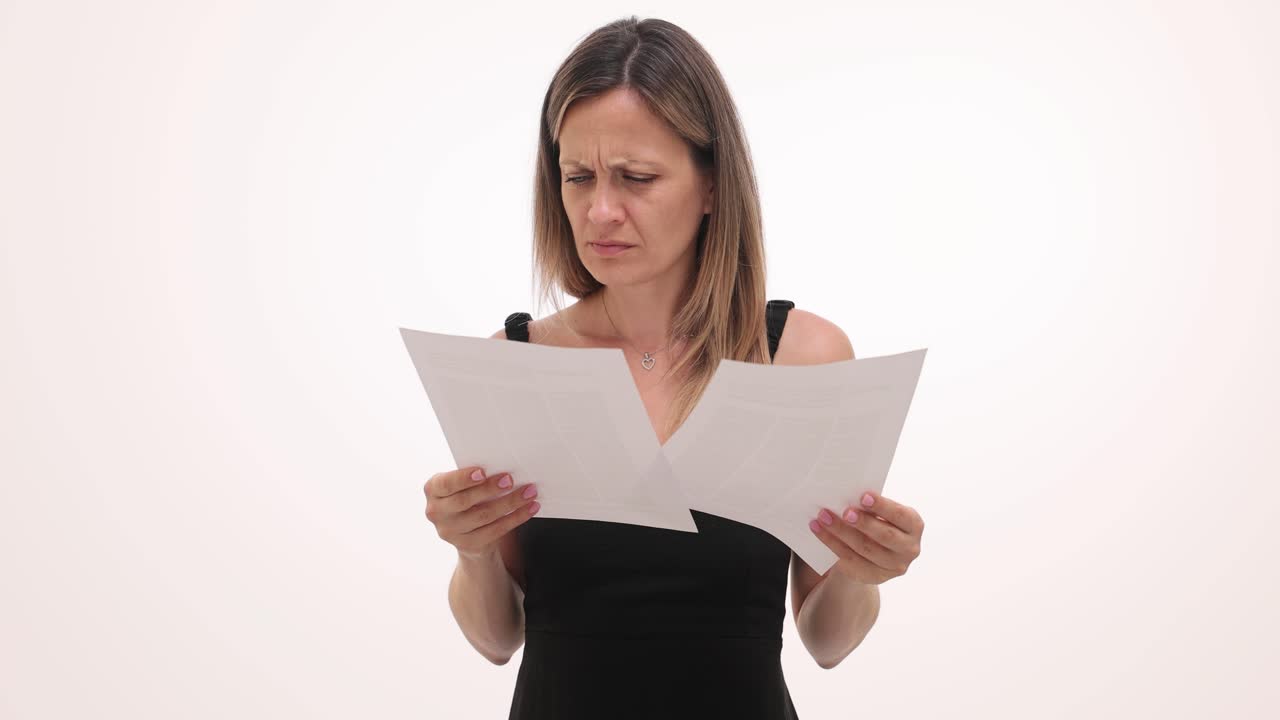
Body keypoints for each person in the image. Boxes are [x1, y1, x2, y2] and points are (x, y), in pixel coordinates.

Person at [421, 16, 926, 719]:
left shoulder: (800, 358)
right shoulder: (517, 364)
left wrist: (864, 575)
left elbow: (827, 641)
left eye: (636, 177)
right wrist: (470, 550)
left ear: (713, 185)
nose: (600, 210)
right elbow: (497, 636)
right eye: (577, 177)